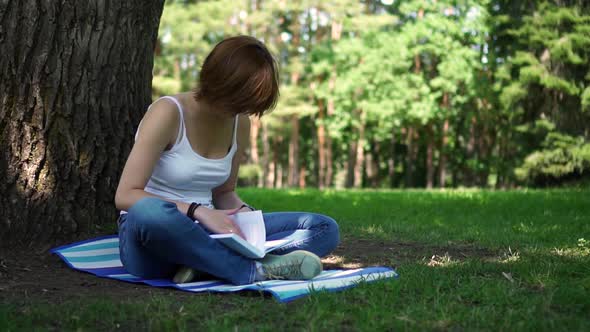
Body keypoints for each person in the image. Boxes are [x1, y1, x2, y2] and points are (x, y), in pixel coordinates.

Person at [114, 35, 340, 285]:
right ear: (220, 82)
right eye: (239, 100)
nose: (241, 110)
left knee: (323, 228)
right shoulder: (168, 112)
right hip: (155, 237)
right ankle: (249, 270)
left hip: (213, 231)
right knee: (148, 212)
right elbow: (126, 195)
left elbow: (224, 192)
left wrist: (246, 218)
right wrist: (197, 212)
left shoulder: (239, 122)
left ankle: (206, 264)